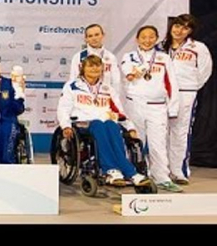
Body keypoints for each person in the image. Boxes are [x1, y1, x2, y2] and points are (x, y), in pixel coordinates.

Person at [58, 55, 151, 187]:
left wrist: (130, 127)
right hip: (83, 121)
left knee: (112, 125)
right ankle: (112, 170)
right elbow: (64, 108)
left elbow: (119, 111)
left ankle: (128, 171)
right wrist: (65, 126)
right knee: (99, 126)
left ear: (102, 69)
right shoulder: (72, 86)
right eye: (90, 66)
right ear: (83, 68)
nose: (94, 69)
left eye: (97, 66)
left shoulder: (107, 89)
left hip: (105, 120)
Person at [121, 25, 182, 192]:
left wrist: (173, 108)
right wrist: (136, 71)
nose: (147, 40)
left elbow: (172, 84)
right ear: (137, 39)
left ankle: (162, 177)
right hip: (135, 104)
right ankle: (135, 174)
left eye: (151, 37)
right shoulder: (129, 56)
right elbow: (128, 74)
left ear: (156, 39)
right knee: (135, 142)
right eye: (143, 37)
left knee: (158, 143)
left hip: (157, 106)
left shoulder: (163, 58)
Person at [159, 14, 213, 184]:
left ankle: (178, 170)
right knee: (159, 132)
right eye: (177, 25)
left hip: (185, 92)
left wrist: (192, 87)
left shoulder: (198, 47)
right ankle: (160, 169)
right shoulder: (160, 47)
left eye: (185, 27)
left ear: (190, 31)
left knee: (180, 132)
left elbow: (205, 70)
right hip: (162, 94)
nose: (179, 30)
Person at [69, 24, 122, 94]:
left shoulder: (111, 57)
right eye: (90, 36)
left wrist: (114, 98)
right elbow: (73, 79)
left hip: (105, 97)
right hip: (83, 97)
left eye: (97, 35)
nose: (94, 38)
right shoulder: (78, 57)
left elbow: (116, 81)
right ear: (86, 39)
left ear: (103, 35)